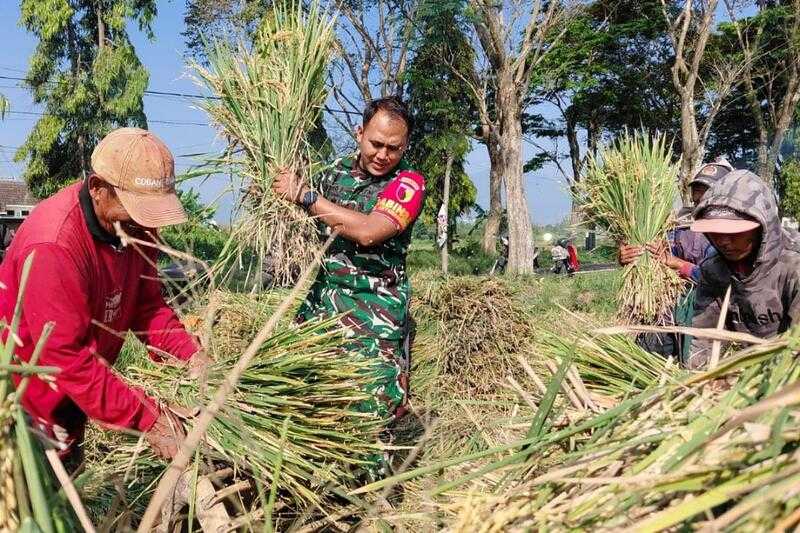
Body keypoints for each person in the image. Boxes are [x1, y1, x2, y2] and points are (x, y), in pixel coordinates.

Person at [0, 128, 210, 466]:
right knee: (40, 501)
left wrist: (191, 356)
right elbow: (63, 357)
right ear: (98, 189)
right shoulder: (54, 246)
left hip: (75, 396)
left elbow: (147, 306)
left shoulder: (134, 227)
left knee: (68, 482)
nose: (146, 223)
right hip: (26, 405)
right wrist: (148, 417)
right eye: (137, 208)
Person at [271, 97, 425, 440]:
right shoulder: (332, 173)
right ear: (359, 133)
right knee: (301, 399)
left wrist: (307, 197)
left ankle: (369, 487)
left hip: (374, 310)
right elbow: (293, 204)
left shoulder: (408, 184)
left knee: (370, 409)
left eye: (393, 148)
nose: (383, 155)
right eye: (376, 144)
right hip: (321, 306)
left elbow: (370, 232)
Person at [618, 158, 733, 358]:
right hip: (668, 312)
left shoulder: (736, 233)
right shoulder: (679, 224)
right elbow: (658, 255)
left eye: (707, 201)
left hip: (708, 316)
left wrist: (679, 265)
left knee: (695, 372)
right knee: (649, 360)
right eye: (696, 201)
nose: (699, 209)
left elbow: (724, 280)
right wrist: (630, 254)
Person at [687, 169, 800, 369]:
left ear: (762, 225)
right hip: (741, 374)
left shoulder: (793, 267)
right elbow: (705, 338)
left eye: (733, 232)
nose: (723, 241)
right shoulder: (713, 271)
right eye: (715, 230)